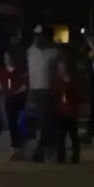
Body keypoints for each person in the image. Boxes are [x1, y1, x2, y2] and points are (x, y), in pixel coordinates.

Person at [13, 26, 60, 162]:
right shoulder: (30, 51)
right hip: (33, 91)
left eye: (40, 36)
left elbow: (60, 72)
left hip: (47, 91)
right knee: (28, 122)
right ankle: (29, 149)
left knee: (44, 123)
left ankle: (42, 151)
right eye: (35, 35)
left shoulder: (55, 52)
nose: (37, 38)